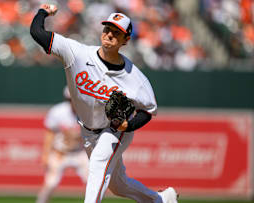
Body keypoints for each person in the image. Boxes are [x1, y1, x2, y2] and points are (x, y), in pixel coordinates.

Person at [30, 4, 179, 203]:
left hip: (114, 129)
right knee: (118, 185)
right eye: (107, 29)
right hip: (87, 131)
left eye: (116, 33)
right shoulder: (77, 53)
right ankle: (161, 199)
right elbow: (37, 32)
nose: (109, 35)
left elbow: (148, 111)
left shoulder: (136, 78)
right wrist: (43, 12)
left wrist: (129, 125)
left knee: (99, 164)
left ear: (126, 40)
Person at [36, 86, 88, 203]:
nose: (74, 102)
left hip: (80, 152)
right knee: (50, 183)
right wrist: (45, 155)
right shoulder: (58, 111)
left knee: (94, 182)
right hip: (60, 153)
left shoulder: (87, 113)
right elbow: (50, 134)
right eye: (71, 99)